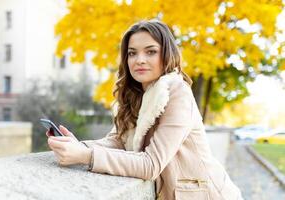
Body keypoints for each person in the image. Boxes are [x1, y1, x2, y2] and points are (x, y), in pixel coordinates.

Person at [47, 20, 243, 200]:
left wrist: (86, 157)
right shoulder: (136, 94)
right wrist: (80, 146)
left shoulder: (177, 92)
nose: (139, 60)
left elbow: (151, 164)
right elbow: (118, 141)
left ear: (167, 54)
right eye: (132, 53)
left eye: (150, 51)